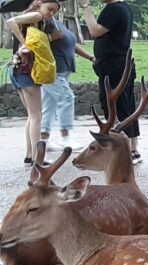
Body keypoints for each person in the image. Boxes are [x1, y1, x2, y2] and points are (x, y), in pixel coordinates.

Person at [82, 0, 143, 164]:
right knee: (126, 104)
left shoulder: (113, 9)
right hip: (120, 63)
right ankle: (132, 148)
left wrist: (86, 6)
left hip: (114, 65)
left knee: (114, 105)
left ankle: (125, 149)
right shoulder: (124, 8)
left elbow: (94, 31)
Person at [6, 0, 61, 166]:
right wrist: (24, 43)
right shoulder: (36, 15)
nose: (51, 14)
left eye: (54, 12)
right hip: (26, 70)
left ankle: (30, 155)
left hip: (17, 69)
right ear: (39, 4)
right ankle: (38, 157)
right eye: (50, 9)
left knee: (32, 115)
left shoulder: (36, 21)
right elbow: (10, 21)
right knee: (37, 115)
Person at [42, 17, 95, 151]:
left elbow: (72, 44)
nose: (51, 12)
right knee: (66, 98)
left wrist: (90, 57)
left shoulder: (55, 22)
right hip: (51, 70)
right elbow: (31, 42)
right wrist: (51, 38)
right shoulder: (39, 22)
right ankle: (65, 138)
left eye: (54, 9)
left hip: (63, 69)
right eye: (49, 8)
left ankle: (44, 140)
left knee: (49, 104)